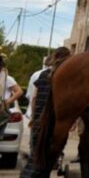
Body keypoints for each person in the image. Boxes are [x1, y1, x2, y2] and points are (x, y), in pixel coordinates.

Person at [20, 47, 71, 178]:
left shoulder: (43, 74)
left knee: (36, 153)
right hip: (55, 121)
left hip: (39, 120)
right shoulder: (68, 76)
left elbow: (34, 98)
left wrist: (34, 117)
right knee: (49, 156)